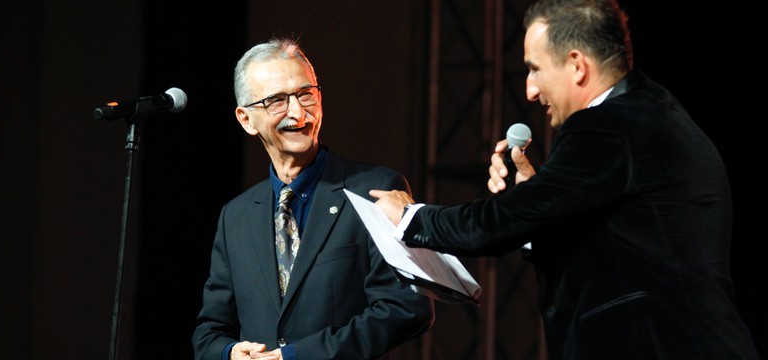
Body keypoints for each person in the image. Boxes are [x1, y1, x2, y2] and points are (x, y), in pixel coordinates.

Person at [369, 0, 759, 359]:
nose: (531, 90)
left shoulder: (607, 126)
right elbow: (620, 247)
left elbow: (497, 224)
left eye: (535, 68)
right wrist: (536, 204)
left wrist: (412, 217)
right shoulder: (646, 113)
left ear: (576, 65)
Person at [192, 38, 434, 360]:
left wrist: (296, 356)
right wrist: (229, 353)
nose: (298, 112)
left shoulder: (374, 191)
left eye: (306, 95)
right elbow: (209, 334)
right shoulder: (235, 217)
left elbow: (406, 309)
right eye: (276, 101)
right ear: (246, 119)